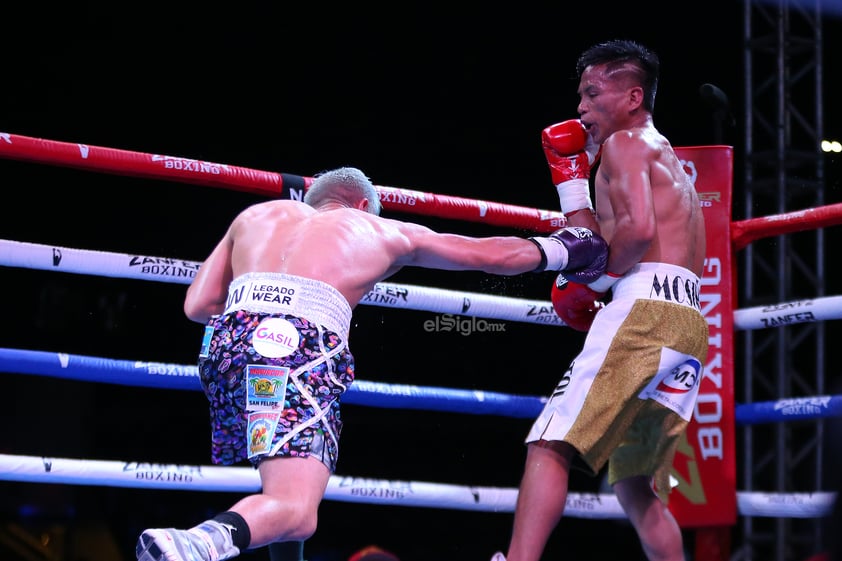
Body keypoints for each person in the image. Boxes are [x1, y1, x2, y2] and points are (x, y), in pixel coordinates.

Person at [134, 166, 610, 561]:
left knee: (283, 483)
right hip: (294, 350)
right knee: (297, 510)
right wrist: (566, 249)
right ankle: (197, 543)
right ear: (363, 205)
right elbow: (486, 255)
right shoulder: (380, 229)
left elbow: (197, 305)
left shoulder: (256, 214)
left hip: (227, 348)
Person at [490, 39, 709, 561]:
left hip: (645, 310)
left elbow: (634, 231)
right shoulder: (664, 156)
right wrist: (570, 181)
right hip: (687, 323)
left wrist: (593, 285)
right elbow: (593, 241)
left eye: (592, 93)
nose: (582, 107)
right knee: (635, 484)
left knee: (550, 444)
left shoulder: (626, 144)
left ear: (633, 96)